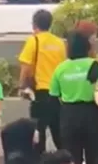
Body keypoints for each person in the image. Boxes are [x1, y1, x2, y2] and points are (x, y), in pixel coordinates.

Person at [49, 31, 98, 164]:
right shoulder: (97, 66)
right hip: (93, 113)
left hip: (69, 115)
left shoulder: (60, 69)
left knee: (71, 157)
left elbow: (54, 95)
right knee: (95, 155)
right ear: (87, 47)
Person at [18, 9, 66, 154]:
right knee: (58, 132)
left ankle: (40, 159)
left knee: (39, 131)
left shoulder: (34, 40)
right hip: (58, 93)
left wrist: (21, 86)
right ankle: (67, 158)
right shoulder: (59, 43)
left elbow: (26, 66)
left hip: (41, 93)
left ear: (34, 24)